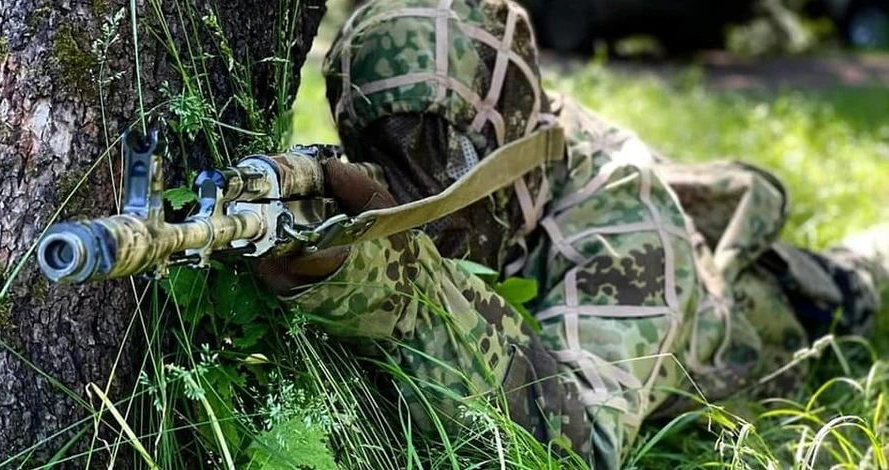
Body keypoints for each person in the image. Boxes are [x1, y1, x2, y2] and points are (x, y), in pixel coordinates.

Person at [256, 0, 889, 468]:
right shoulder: (501, 128)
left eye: (448, 155)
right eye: (389, 148)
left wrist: (395, 290)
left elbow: (577, 450)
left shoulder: (624, 219)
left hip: (757, 318)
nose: (423, 178)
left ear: (509, 135)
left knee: (860, 274)